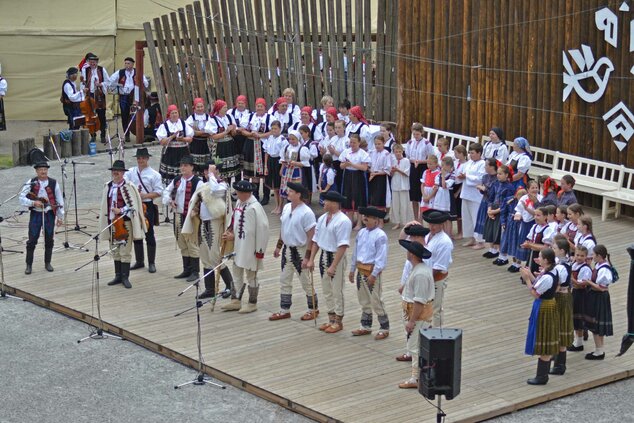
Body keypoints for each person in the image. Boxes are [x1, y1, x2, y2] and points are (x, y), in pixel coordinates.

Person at [181, 163, 234, 300]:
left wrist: (211, 175)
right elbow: (199, 201)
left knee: (215, 256)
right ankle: (210, 289)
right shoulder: (204, 186)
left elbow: (215, 191)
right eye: (205, 170)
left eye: (209, 170)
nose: (206, 172)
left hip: (215, 224)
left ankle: (231, 285)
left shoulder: (222, 185)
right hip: (203, 223)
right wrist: (196, 210)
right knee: (205, 257)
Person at [269, 182, 319, 321]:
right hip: (287, 250)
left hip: (301, 250)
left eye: (291, 191)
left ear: (299, 194)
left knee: (305, 281)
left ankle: (313, 308)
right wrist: (279, 246)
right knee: (284, 279)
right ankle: (285, 309)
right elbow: (283, 228)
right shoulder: (286, 208)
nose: (287, 192)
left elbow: (312, 236)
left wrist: (308, 258)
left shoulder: (307, 213)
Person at [306, 190, 352, 334]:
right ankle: (331, 318)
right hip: (324, 255)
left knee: (337, 290)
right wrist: (312, 259)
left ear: (333, 203)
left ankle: (338, 320)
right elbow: (316, 240)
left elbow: (342, 245)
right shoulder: (322, 218)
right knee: (327, 289)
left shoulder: (343, 221)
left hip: (335, 256)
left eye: (325, 201)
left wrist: (333, 265)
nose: (323, 203)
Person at [220, 180, 270, 313]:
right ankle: (235, 300)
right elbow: (234, 220)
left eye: (238, 192)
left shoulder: (255, 208)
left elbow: (261, 230)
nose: (236, 194)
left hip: (250, 248)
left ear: (245, 193)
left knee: (251, 275)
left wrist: (260, 251)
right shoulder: (239, 203)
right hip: (238, 247)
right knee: (236, 272)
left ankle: (252, 303)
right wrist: (230, 230)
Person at [99, 160, 147, 289]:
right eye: (114, 171)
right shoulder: (108, 186)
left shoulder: (129, 187)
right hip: (112, 223)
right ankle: (118, 275)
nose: (116, 173)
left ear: (122, 173)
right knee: (115, 249)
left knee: (125, 250)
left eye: (118, 171)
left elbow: (133, 206)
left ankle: (125, 277)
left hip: (125, 222)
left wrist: (121, 210)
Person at [397, 240, 435, 389]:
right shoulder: (419, 269)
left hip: (418, 316)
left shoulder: (420, 274)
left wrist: (412, 321)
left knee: (414, 346)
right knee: (414, 345)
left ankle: (416, 378)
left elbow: (419, 301)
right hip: (413, 313)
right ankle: (419, 376)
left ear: (412, 254)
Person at [349, 207, 390, 340]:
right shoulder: (361, 233)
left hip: (372, 272)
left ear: (376, 220)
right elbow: (356, 252)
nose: (365, 219)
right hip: (361, 270)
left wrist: (374, 274)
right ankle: (365, 326)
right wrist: (352, 269)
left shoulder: (380, 236)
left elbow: (381, 257)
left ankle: (384, 327)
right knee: (364, 299)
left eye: (368, 217)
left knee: (376, 299)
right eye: (364, 216)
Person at [521, 248, 560, 385]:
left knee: (544, 338)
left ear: (546, 260)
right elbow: (539, 283)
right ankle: (543, 374)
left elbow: (535, 293)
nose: (538, 259)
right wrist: (531, 275)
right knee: (545, 336)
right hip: (547, 304)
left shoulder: (548, 277)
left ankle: (542, 376)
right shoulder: (552, 271)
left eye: (540, 257)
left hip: (544, 307)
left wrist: (526, 279)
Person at [19, 160, 64, 274]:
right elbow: (21, 198)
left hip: (49, 214)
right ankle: (29, 265)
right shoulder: (31, 182)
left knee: (49, 238)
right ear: (37, 171)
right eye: (40, 170)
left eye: (45, 169)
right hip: (36, 213)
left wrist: (60, 216)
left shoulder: (54, 183)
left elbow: (59, 200)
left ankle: (47, 262)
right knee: (32, 239)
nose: (43, 171)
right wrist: (33, 203)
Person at [162, 156, 202, 282]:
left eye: (185, 165)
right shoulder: (177, 180)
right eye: (181, 165)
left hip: (191, 217)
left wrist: (196, 209)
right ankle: (187, 269)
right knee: (182, 242)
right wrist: (170, 201)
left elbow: (203, 199)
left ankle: (195, 272)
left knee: (192, 243)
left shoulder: (198, 182)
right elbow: (166, 192)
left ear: (192, 167)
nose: (182, 168)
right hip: (178, 215)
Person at [124, 148, 163, 274]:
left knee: (149, 233)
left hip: (147, 206)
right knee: (136, 232)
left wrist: (144, 196)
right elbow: (124, 183)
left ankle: (151, 262)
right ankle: (139, 261)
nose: (140, 160)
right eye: (139, 158)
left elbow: (158, 192)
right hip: (134, 206)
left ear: (147, 158)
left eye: (143, 158)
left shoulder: (154, 174)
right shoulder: (131, 172)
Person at [421, 210, 453, 327]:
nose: (432, 227)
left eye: (434, 224)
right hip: (426, 275)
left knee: (436, 308)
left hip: (436, 279)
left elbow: (439, 267)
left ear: (441, 224)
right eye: (430, 224)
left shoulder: (445, 242)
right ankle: (426, 331)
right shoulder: (427, 236)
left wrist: (426, 280)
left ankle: (437, 334)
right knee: (424, 305)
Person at [583, 244, 614, 360]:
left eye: (594, 255)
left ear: (599, 256)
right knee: (596, 324)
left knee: (596, 325)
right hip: (596, 297)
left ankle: (599, 351)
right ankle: (599, 349)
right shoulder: (599, 265)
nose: (592, 256)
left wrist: (588, 282)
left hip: (599, 297)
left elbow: (601, 287)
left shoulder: (604, 269)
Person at [109, 57, 149, 142]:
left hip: (135, 96)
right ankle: (126, 134)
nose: (127, 65)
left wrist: (141, 81)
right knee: (124, 115)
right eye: (125, 63)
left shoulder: (138, 72)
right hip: (124, 96)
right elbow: (111, 81)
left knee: (137, 115)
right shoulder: (120, 72)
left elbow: (146, 83)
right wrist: (118, 84)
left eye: (128, 63)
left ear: (132, 64)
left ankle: (139, 132)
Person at [239, 98, 272, 203]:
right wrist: (250, 134)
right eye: (258, 106)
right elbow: (242, 130)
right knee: (253, 172)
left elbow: (273, 131)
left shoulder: (270, 118)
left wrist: (261, 135)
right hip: (250, 145)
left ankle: (266, 196)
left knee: (264, 171)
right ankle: (256, 194)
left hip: (264, 145)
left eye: (261, 106)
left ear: (265, 107)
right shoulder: (249, 117)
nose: (259, 108)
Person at [550, 236, 573, 375]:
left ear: (562, 250)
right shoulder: (563, 262)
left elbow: (558, 284)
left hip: (562, 297)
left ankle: (560, 365)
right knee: (558, 327)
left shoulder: (561, 267)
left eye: (555, 248)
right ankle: (557, 359)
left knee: (561, 327)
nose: (553, 250)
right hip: (564, 296)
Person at [157, 105, 194, 184]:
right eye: (172, 113)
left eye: (175, 113)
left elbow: (190, 139)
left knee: (183, 172)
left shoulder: (183, 124)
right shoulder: (165, 126)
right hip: (170, 153)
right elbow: (162, 142)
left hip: (183, 152)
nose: (174, 115)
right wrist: (172, 137)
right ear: (169, 115)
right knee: (170, 177)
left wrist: (182, 139)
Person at [457, 143, 485, 247]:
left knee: (475, 217)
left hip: (475, 194)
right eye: (470, 152)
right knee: (467, 217)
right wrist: (462, 175)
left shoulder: (482, 163)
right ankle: (471, 238)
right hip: (466, 192)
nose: (471, 155)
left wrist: (467, 176)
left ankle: (480, 241)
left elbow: (481, 178)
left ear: (479, 153)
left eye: (473, 153)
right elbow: (463, 172)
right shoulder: (469, 163)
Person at [340, 133, 370, 230]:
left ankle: (359, 223)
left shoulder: (363, 153)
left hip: (358, 176)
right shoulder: (346, 152)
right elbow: (341, 166)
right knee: (348, 197)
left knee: (359, 198)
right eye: (351, 142)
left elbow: (364, 168)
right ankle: (350, 221)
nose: (352, 144)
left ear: (359, 143)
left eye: (354, 142)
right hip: (348, 175)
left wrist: (352, 164)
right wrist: (346, 164)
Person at [405, 123, 435, 221]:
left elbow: (431, 158)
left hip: (422, 167)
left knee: (421, 193)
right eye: (414, 134)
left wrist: (420, 161)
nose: (415, 136)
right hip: (413, 167)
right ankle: (415, 218)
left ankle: (422, 218)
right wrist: (414, 161)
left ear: (421, 133)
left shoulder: (427, 143)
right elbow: (408, 157)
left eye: (417, 134)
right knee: (414, 195)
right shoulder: (410, 143)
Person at [206, 99, 241, 181]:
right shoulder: (212, 120)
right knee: (221, 169)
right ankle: (224, 188)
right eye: (224, 108)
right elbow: (214, 137)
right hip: (219, 147)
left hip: (230, 146)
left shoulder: (229, 117)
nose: (226, 109)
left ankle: (234, 190)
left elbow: (233, 134)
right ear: (218, 109)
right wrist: (226, 131)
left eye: (226, 107)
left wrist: (233, 130)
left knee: (232, 168)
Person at [567, 245, 592, 352]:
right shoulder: (574, 265)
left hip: (581, 295)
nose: (579, 257)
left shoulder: (585, 268)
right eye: (577, 255)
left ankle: (579, 343)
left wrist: (571, 278)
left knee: (579, 318)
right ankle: (577, 341)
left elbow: (581, 285)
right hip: (575, 293)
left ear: (586, 257)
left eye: (582, 256)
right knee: (575, 317)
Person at [80, 53, 109, 143]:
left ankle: (103, 135)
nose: (92, 64)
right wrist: (84, 88)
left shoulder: (101, 69)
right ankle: (93, 135)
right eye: (91, 62)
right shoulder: (85, 70)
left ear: (97, 62)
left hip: (99, 95)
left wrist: (100, 84)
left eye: (94, 62)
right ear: (88, 62)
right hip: (90, 95)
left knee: (101, 115)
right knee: (90, 116)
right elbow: (82, 82)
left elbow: (108, 81)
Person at [263, 120, 287, 214]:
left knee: (279, 186)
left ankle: (280, 207)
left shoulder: (282, 140)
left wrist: (282, 168)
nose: (274, 130)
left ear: (280, 129)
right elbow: (266, 153)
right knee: (274, 186)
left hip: (279, 162)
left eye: (276, 129)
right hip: (270, 161)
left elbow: (284, 155)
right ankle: (276, 206)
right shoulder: (269, 138)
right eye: (272, 128)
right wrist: (266, 166)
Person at [184, 98, 212, 174]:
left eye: (201, 106)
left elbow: (211, 132)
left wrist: (197, 132)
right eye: (198, 107)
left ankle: (205, 179)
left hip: (206, 143)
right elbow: (191, 132)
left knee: (206, 163)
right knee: (195, 164)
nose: (200, 108)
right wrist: (203, 132)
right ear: (194, 108)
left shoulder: (208, 117)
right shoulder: (191, 118)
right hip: (195, 144)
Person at [390, 143, 412, 230]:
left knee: (404, 204)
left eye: (399, 151)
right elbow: (391, 173)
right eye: (396, 152)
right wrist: (392, 171)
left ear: (402, 151)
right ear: (394, 152)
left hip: (404, 185)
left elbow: (407, 173)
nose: (398, 153)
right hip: (395, 184)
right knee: (395, 204)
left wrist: (397, 170)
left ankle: (406, 222)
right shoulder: (393, 161)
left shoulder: (406, 161)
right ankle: (397, 222)